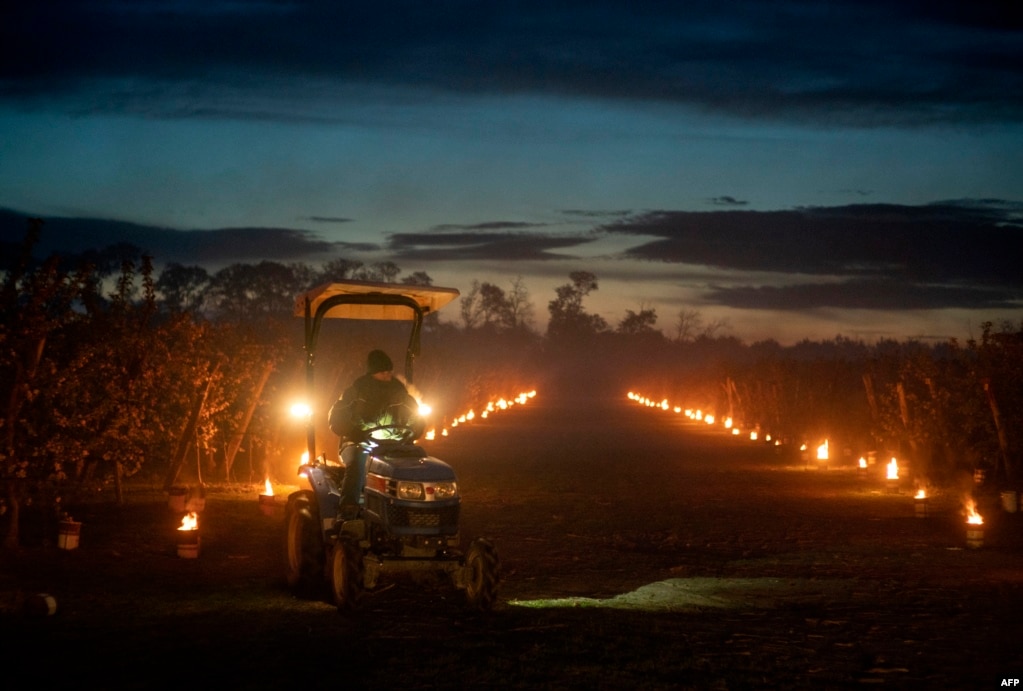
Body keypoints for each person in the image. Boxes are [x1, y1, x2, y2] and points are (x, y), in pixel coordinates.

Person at [328, 349, 423, 519]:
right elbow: (337, 417)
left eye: (389, 371)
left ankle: (412, 507)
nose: (388, 374)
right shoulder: (356, 391)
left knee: (417, 459)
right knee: (358, 460)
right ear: (372, 372)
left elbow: (415, 415)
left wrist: (416, 428)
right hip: (358, 441)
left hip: (393, 444)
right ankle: (348, 507)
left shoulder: (399, 393)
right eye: (383, 371)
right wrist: (352, 431)